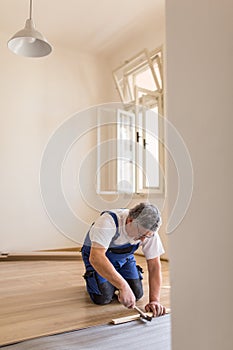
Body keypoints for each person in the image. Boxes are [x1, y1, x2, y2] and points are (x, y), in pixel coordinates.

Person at [81, 202, 166, 317]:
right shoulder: (108, 222)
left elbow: (154, 266)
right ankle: (97, 280)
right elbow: (96, 257)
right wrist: (123, 286)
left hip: (124, 259)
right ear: (130, 221)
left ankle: (115, 280)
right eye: (141, 234)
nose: (142, 239)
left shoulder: (148, 232)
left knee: (136, 293)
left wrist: (154, 300)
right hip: (97, 257)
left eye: (146, 236)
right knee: (103, 297)